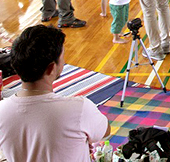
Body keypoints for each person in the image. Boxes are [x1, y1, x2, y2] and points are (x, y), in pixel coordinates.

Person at [0, 25, 110, 161]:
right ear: (51, 68)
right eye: (63, 56)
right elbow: (105, 130)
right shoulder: (79, 109)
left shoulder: (2, 110)